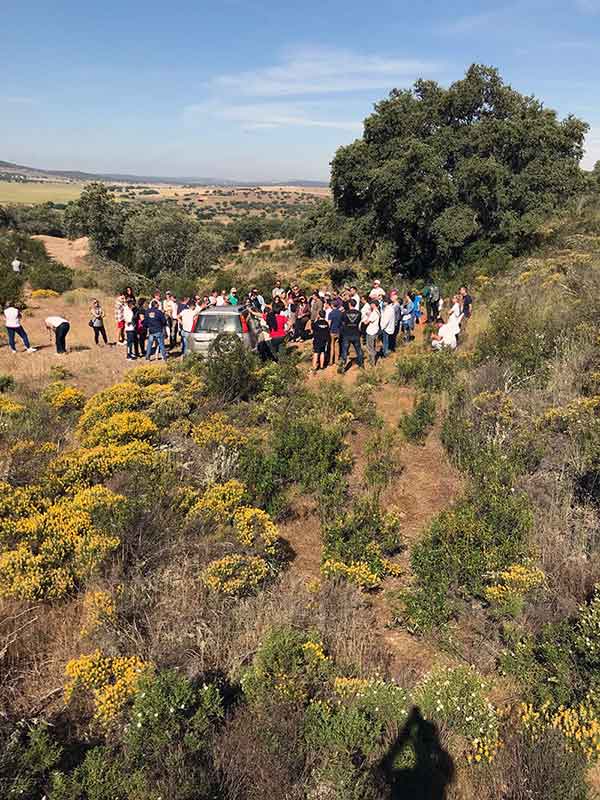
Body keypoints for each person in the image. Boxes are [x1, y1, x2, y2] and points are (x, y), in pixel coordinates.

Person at [337, 300, 364, 373]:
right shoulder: (359, 313)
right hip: (356, 333)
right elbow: (359, 322)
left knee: (345, 351)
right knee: (358, 350)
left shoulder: (345, 313)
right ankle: (361, 365)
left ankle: (342, 367)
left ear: (349, 304)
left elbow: (342, 322)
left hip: (347, 334)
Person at [365, 300, 381, 365]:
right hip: (373, 331)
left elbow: (366, 322)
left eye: (371, 304)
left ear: (374, 305)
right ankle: (372, 360)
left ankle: (373, 361)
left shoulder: (374, 313)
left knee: (370, 347)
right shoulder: (377, 312)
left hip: (371, 331)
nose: (370, 305)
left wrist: (368, 316)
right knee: (372, 346)